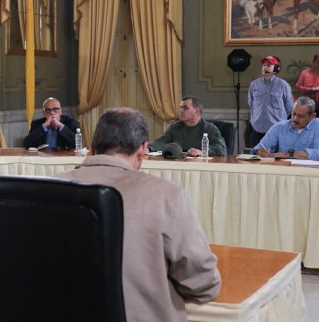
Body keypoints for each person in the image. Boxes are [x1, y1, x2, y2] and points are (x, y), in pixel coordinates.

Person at [57, 108, 220, 322]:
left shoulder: (48, 190)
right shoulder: (167, 196)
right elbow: (203, 284)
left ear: (93, 147)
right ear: (143, 150)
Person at [253, 96, 319, 160]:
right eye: (294, 114)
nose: (295, 119)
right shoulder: (280, 126)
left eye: (300, 116)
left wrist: (290, 154)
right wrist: (259, 151)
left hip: (309, 172)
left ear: (312, 117)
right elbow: (259, 147)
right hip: (284, 172)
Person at [148, 96, 227, 156]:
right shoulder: (175, 127)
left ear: (197, 112)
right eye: (181, 107)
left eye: (185, 108)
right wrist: (148, 148)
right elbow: (161, 142)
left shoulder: (209, 129)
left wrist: (202, 152)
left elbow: (221, 149)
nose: (181, 110)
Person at [248, 56, 293, 148]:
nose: (265, 67)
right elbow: (251, 103)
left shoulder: (283, 85)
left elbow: (289, 106)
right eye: (264, 65)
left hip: (276, 131)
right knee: (255, 159)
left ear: (276, 68)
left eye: (268, 65)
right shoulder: (254, 84)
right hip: (257, 130)